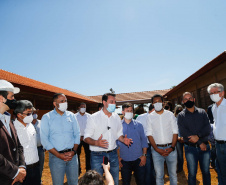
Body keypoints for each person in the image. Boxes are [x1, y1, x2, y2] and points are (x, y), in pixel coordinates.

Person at [84, 93, 133, 185]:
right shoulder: (93, 117)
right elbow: (86, 138)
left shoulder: (116, 118)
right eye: (111, 101)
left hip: (113, 154)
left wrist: (123, 140)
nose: (114, 104)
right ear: (104, 102)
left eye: (115, 102)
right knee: (96, 182)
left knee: (114, 181)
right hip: (97, 155)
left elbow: (119, 134)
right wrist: (96, 142)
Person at [40, 93, 80, 185]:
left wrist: (74, 151)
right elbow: (45, 140)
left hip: (72, 157)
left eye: (65, 101)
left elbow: (77, 134)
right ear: (55, 104)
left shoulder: (72, 116)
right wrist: (59, 155)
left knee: (74, 182)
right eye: (61, 101)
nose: (64, 103)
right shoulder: (47, 117)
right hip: (56, 158)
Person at [178, 92, 211, 185]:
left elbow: (208, 128)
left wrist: (198, 136)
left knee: (206, 172)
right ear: (182, 102)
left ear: (194, 99)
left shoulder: (202, 112)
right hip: (190, 148)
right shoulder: (180, 116)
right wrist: (200, 142)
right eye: (185, 99)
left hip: (205, 148)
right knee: (192, 174)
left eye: (190, 98)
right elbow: (184, 133)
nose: (188, 100)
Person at [147, 94, 178, 185]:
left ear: (163, 103)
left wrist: (172, 147)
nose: (157, 104)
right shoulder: (150, 117)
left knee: (173, 174)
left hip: (171, 149)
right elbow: (149, 134)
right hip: (156, 150)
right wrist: (157, 149)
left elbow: (175, 132)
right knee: (159, 175)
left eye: (159, 102)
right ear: (152, 104)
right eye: (155, 102)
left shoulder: (170, 115)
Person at [0, 79, 26, 185]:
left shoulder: (8, 119)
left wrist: (21, 167)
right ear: (1, 98)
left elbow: (18, 146)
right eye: (12, 96)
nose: (14, 100)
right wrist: (15, 172)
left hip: (16, 177)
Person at [117, 103, 148, 185]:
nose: (129, 112)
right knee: (126, 182)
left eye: (131, 110)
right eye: (127, 111)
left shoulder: (139, 125)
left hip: (138, 159)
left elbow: (144, 141)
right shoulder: (118, 126)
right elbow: (116, 144)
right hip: (124, 161)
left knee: (141, 182)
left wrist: (144, 156)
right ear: (122, 112)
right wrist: (118, 157)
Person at [14, 100, 41, 185]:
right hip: (23, 170)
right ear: (19, 114)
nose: (31, 115)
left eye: (32, 113)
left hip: (36, 166)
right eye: (28, 113)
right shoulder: (13, 128)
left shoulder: (31, 126)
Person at [207, 83, 226, 185]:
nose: (213, 94)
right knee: (221, 170)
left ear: (222, 93)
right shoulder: (213, 108)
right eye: (211, 93)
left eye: (216, 92)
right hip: (218, 145)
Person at [136, 103, 156, 185]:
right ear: (151, 110)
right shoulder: (141, 117)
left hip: (155, 146)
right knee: (147, 168)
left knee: (154, 168)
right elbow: (136, 131)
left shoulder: (158, 117)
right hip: (145, 146)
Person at [75, 102, 91, 174]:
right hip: (77, 139)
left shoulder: (89, 116)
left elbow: (91, 127)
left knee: (88, 155)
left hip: (87, 139)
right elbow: (74, 128)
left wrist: (85, 136)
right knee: (76, 154)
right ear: (79, 107)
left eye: (84, 107)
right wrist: (79, 136)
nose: (83, 108)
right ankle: (78, 170)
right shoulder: (74, 116)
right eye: (82, 107)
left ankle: (88, 170)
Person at [32, 108, 45, 183]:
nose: (34, 114)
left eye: (35, 112)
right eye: (33, 113)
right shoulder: (27, 124)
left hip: (40, 148)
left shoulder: (41, 122)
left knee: (40, 166)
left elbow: (45, 133)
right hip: (31, 149)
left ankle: (38, 180)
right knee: (32, 166)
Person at [174, 105, 184, 173]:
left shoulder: (185, 117)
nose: (179, 111)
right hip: (178, 138)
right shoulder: (174, 118)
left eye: (180, 110)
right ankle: (180, 167)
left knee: (187, 153)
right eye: (178, 110)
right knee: (179, 154)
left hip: (186, 137)